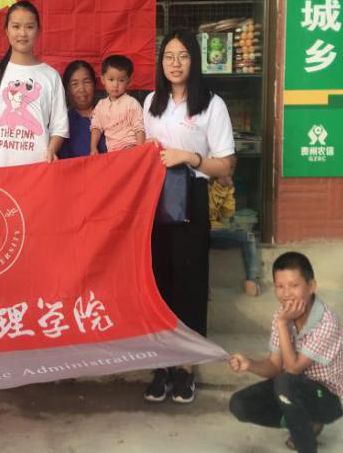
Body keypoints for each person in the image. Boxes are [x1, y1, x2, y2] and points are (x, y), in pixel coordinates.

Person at [142, 28, 235, 404]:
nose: (175, 63)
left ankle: (185, 369)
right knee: (158, 282)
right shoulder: (152, 102)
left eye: (182, 56)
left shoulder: (212, 105)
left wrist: (191, 158)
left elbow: (225, 165)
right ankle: (161, 366)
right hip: (156, 199)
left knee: (190, 284)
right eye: (169, 56)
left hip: (192, 198)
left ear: (194, 61)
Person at [228, 252, 343, 453]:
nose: (286, 294)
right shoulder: (282, 315)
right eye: (280, 286)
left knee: (285, 382)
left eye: (294, 285)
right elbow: (275, 366)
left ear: (311, 286)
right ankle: (304, 424)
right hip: (293, 390)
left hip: (328, 399)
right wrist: (249, 364)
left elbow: (293, 369)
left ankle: (307, 445)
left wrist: (283, 324)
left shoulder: (327, 322)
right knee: (240, 404)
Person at [0, 0, 68, 168]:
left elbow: (59, 128)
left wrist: (51, 149)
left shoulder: (50, 76)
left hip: (38, 171)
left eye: (29, 27)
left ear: (38, 31)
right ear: (7, 31)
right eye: (16, 27)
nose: (22, 33)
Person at [209, 161, 261, 296]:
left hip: (219, 232)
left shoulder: (226, 188)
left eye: (232, 169)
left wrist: (227, 190)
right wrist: (219, 188)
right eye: (228, 168)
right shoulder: (204, 185)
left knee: (248, 237)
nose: (230, 172)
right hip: (204, 231)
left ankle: (252, 280)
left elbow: (227, 213)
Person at [90, 54, 145, 154]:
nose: (115, 85)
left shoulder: (131, 103)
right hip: (112, 153)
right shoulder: (101, 105)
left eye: (121, 80)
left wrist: (141, 151)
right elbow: (96, 127)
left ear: (129, 81)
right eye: (111, 80)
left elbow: (139, 128)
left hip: (130, 148)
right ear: (103, 80)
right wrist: (93, 148)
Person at [58, 60, 106, 159]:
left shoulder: (109, 112)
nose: (82, 89)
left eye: (86, 82)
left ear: (95, 84)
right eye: (75, 84)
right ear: (67, 89)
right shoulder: (63, 123)